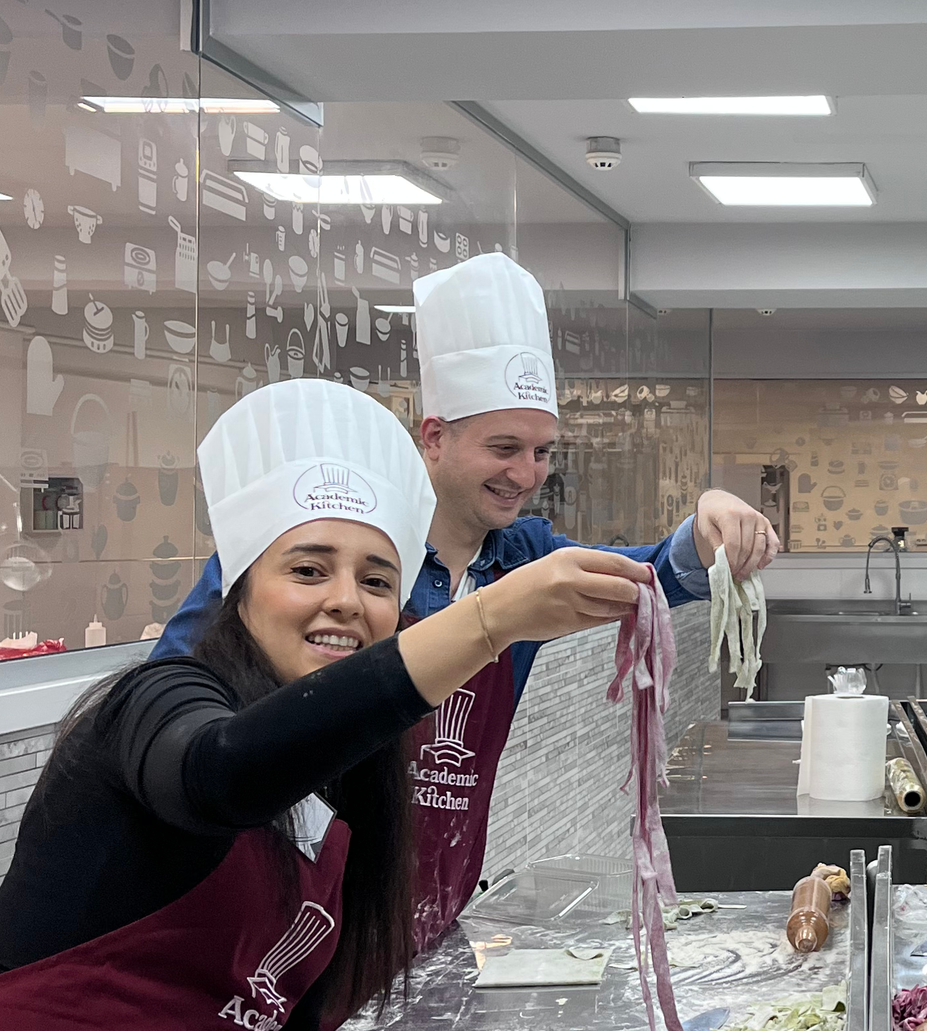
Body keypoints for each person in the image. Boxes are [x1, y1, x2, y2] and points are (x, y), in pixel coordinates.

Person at [0, 379, 659, 1031]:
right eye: (309, 569)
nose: (346, 600)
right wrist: (488, 623)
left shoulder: (341, 789)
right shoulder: (157, 710)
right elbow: (221, 777)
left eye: (377, 581)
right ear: (241, 584)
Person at [156, 252, 779, 947]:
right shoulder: (325, 551)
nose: (526, 474)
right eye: (505, 447)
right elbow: (169, 695)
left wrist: (711, 525)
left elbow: (653, 573)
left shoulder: (522, 558)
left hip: (434, 897)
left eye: (543, 452)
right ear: (434, 436)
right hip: (292, 899)